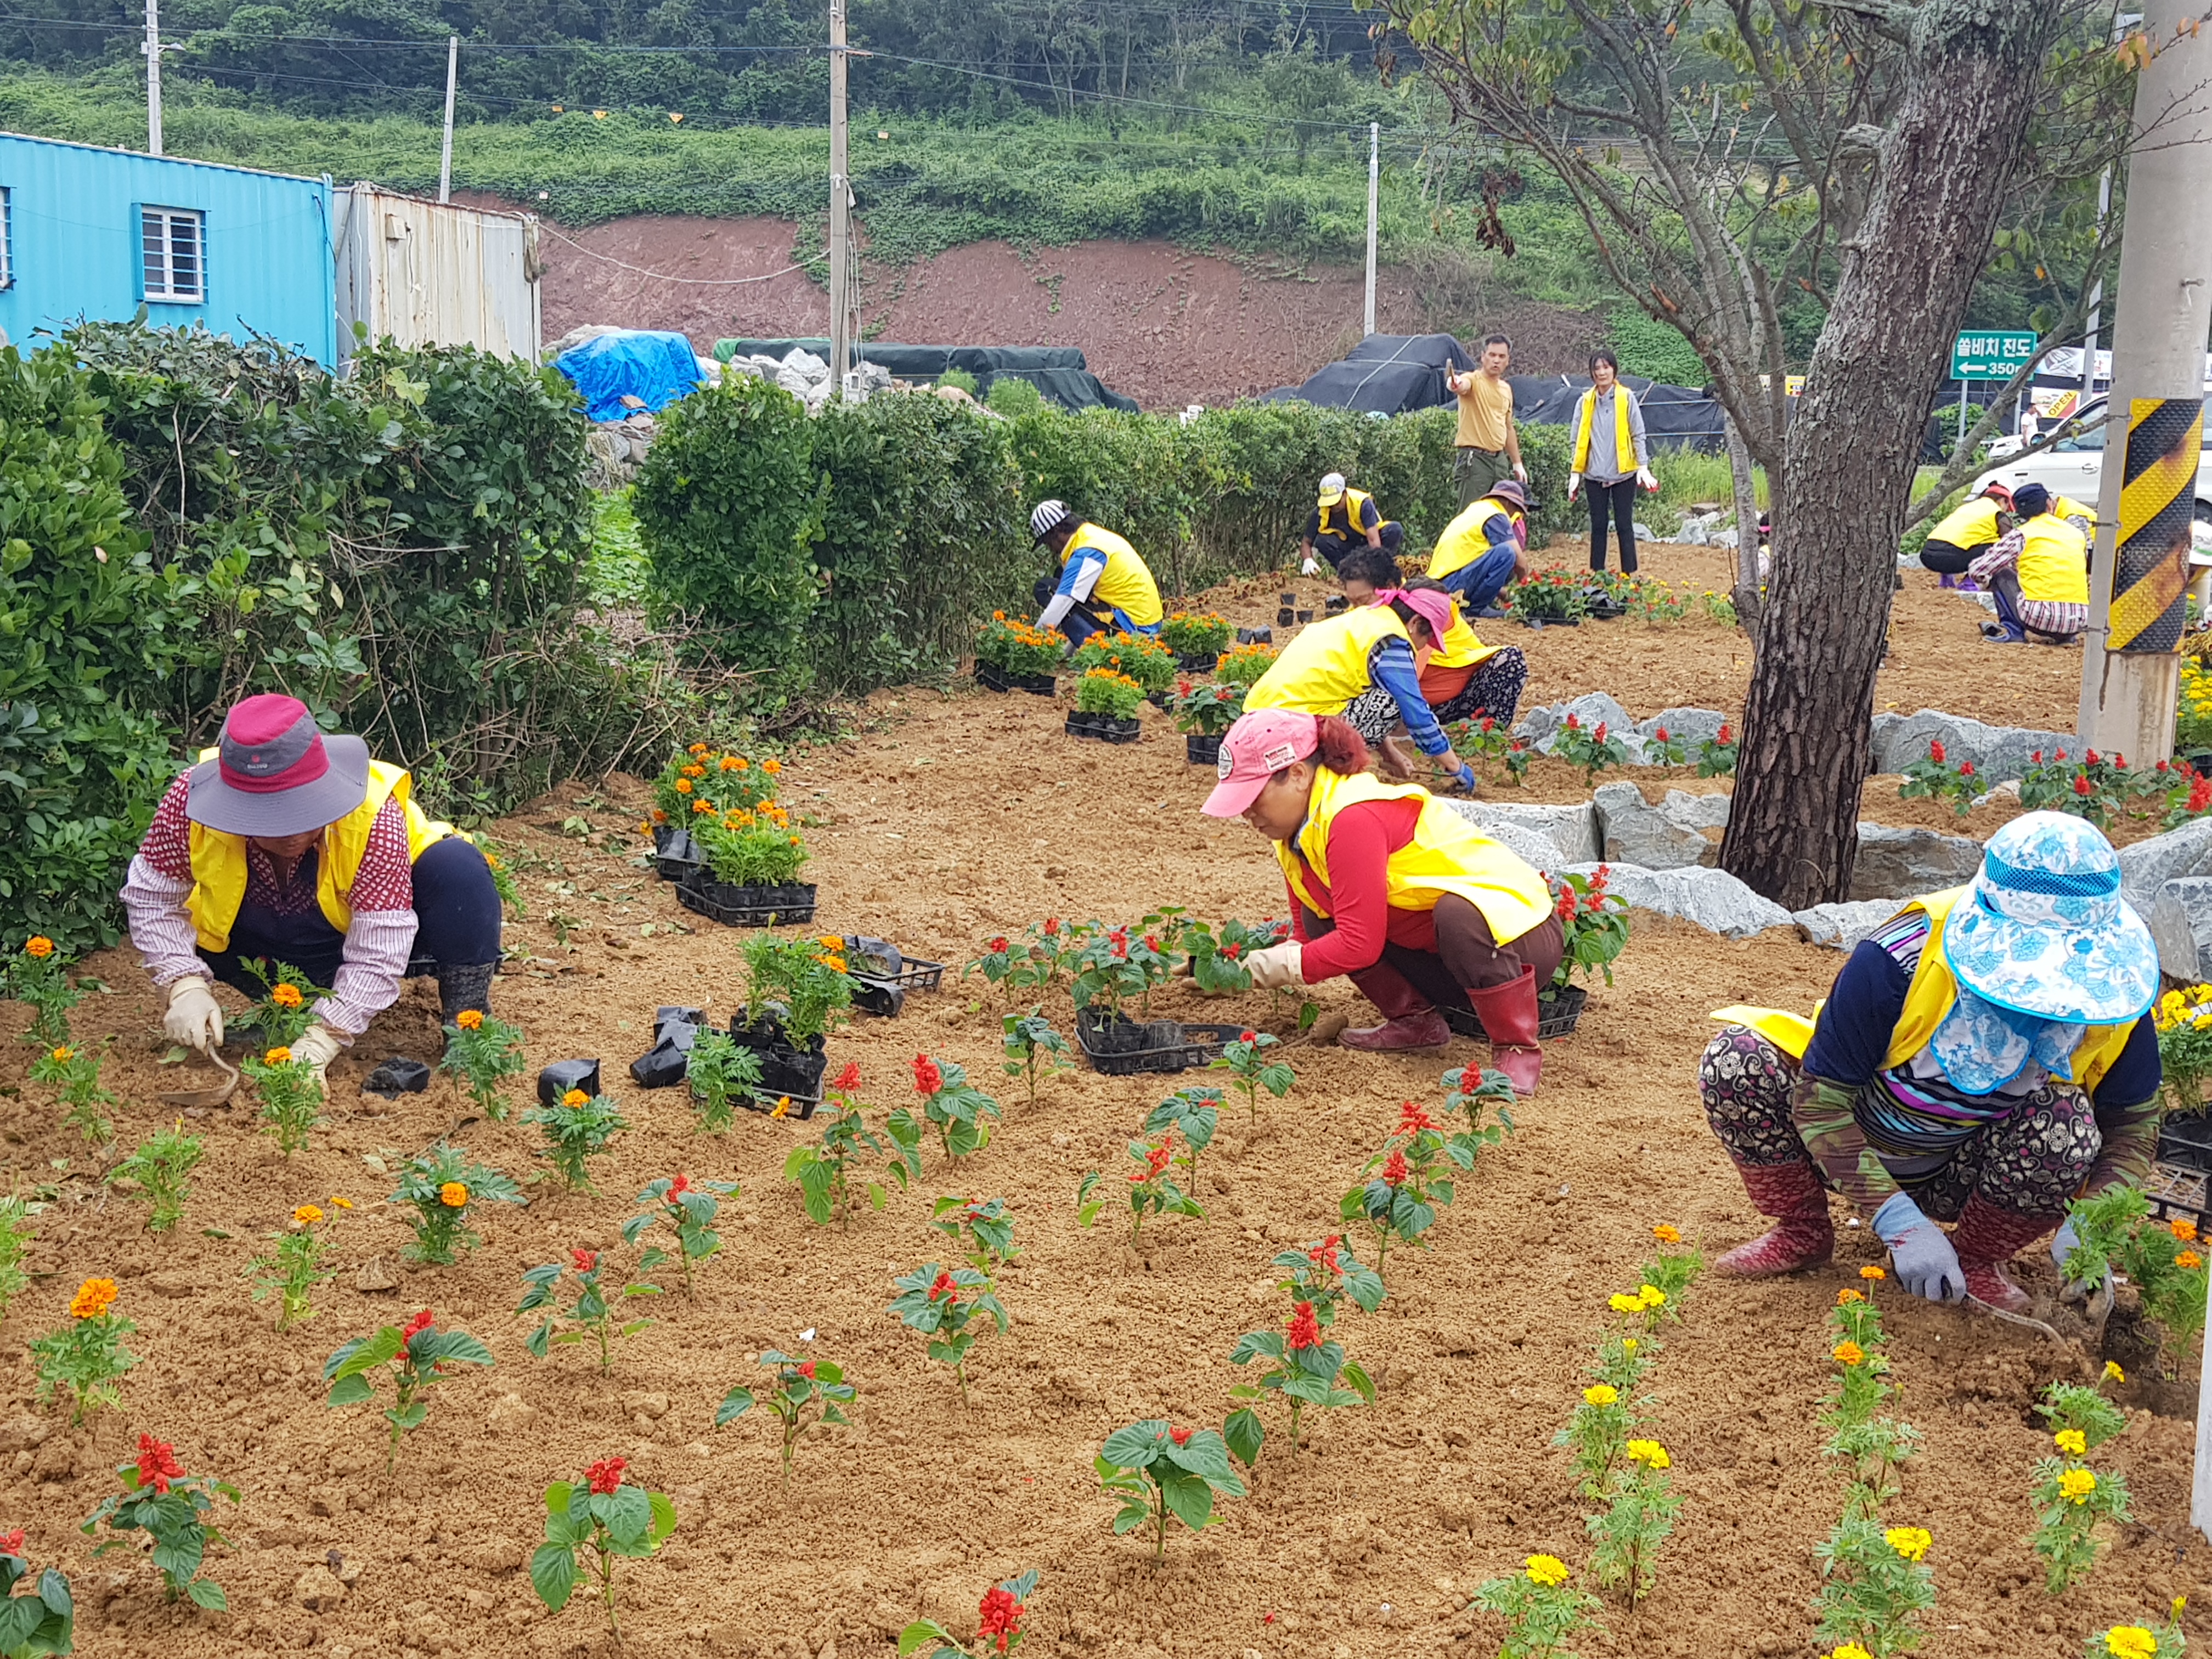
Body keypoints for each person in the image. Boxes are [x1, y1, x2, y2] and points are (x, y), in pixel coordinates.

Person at [1697, 812, 2158, 1310]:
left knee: (2066, 1127)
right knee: (1734, 1061)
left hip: (1966, 1169)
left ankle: (1975, 1259)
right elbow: (1820, 1102)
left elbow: (2133, 1125)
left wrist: (2092, 1225)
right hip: (1850, 1142)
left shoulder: (2115, 993)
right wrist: (1899, 1223)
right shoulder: (1900, 958)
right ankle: (1802, 1230)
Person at [122, 693, 504, 1088]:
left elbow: (379, 948)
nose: (292, 834)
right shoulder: (189, 802)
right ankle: (291, 1010)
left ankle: (467, 1028)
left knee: (457, 869)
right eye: (272, 819)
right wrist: (183, 984)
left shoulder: (373, 813)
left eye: (304, 811)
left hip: (368, 934)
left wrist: (324, 1039)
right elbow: (152, 898)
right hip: (254, 942)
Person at [1201, 709, 1561, 1091]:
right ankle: (1415, 1022)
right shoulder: (1296, 834)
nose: (1246, 812)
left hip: (1519, 941)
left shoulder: (1353, 817)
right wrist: (1225, 968)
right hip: (1443, 952)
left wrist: (1259, 970)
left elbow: (1358, 944)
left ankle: (1516, 1049)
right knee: (1318, 916)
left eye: (1253, 795)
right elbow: (1307, 939)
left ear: (1298, 775)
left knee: (1457, 913)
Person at [1245, 584, 1481, 795]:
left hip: (1256, 719)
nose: (1424, 646)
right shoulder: (1393, 641)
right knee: (1390, 702)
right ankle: (1320, 764)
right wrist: (1456, 767)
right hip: (1290, 727)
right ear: (1415, 623)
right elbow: (1415, 712)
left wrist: (1391, 755)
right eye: (1428, 638)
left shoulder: (1369, 619)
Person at [1565, 349, 1656, 575]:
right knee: (1598, 525)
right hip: (1594, 474)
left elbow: (1638, 433)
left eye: (1606, 367)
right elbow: (1576, 439)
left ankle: (1629, 574)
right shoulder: (1585, 401)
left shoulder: (1626, 398)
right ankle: (1598, 575)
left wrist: (1643, 466)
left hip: (1623, 473)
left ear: (1614, 369)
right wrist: (1575, 472)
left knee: (1624, 524)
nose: (1602, 372)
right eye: (1597, 368)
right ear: (1592, 373)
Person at [1029, 500, 1164, 648]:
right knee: (1062, 577)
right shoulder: (1091, 535)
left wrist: (1030, 644)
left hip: (1135, 631)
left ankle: (1100, 652)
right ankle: (1087, 652)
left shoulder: (1086, 553)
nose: (1051, 549)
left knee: (1046, 588)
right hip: (1145, 623)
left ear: (1056, 532)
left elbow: (1061, 606)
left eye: (1048, 543)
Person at [1969, 482, 2088, 646]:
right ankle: (2067, 638)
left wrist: (1987, 584)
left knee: (2001, 572)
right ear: (2049, 504)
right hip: (2079, 620)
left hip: (2038, 618)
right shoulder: (2077, 534)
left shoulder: (2022, 535)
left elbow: (1978, 569)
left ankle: (2014, 632)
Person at [1426, 480, 1531, 617]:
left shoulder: (1477, 509)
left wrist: (1503, 593)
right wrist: (1526, 596)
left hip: (1439, 582)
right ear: (1507, 502)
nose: (1514, 514)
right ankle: (1477, 608)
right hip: (1451, 583)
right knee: (1507, 554)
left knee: (1501, 556)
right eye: (1516, 509)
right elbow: (1521, 564)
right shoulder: (1496, 515)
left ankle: (1476, 603)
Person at [1446, 335, 1527, 508]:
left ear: (1508, 360)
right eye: (1492, 355)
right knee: (1470, 516)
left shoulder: (1506, 389)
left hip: (1499, 461)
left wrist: (1517, 463)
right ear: (1483, 357)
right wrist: (1455, 383)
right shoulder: (1474, 380)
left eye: (1501, 356)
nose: (1496, 360)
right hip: (1475, 460)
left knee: (1500, 514)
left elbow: (1508, 428)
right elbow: (1462, 385)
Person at [1301, 473, 1404, 576]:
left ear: (1345, 494)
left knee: (1395, 529)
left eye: (1337, 502)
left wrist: (1375, 567)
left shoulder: (1363, 504)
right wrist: (1308, 560)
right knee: (1321, 541)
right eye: (1330, 504)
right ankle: (1347, 574)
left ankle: (1383, 570)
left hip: (1368, 544)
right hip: (1348, 550)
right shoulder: (1321, 512)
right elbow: (1306, 542)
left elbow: (1374, 541)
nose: (1334, 507)